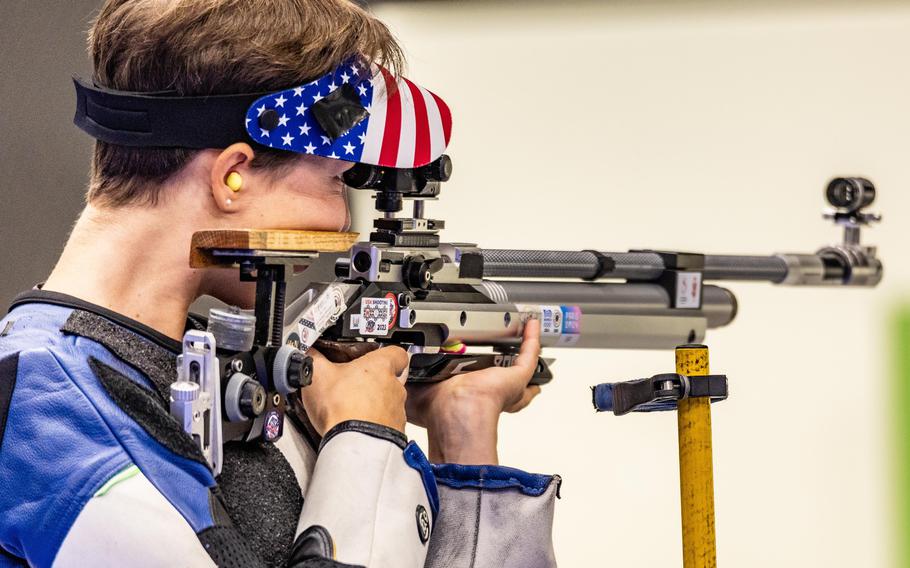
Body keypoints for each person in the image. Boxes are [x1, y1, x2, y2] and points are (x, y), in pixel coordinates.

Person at [0, 1, 560, 567]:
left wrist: (463, 434)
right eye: (337, 182)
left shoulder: (235, 369)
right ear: (231, 178)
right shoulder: (49, 411)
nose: (341, 223)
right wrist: (362, 439)